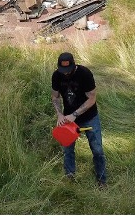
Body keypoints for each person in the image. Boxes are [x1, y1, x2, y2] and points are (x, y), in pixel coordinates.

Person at [51, 52, 107, 188]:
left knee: (97, 150)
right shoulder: (56, 75)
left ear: (74, 66)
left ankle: (101, 180)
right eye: (62, 71)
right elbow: (55, 97)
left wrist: (75, 114)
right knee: (67, 150)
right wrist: (59, 114)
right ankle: (70, 178)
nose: (65, 74)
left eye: (68, 71)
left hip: (89, 117)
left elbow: (92, 98)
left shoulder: (85, 74)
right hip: (68, 119)